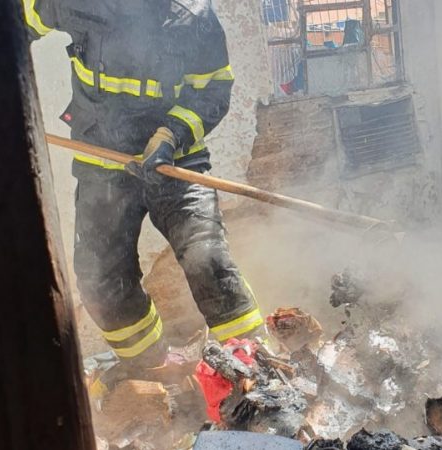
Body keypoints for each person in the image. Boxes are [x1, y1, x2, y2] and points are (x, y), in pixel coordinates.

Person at [22, 0, 267, 391]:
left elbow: (214, 89)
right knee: (100, 278)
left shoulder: (194, 15)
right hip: (102, 162)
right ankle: (152, 367)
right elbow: (11, 24)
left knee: (207, 258)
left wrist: (170, 134)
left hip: (176, 162)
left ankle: (255, 366)